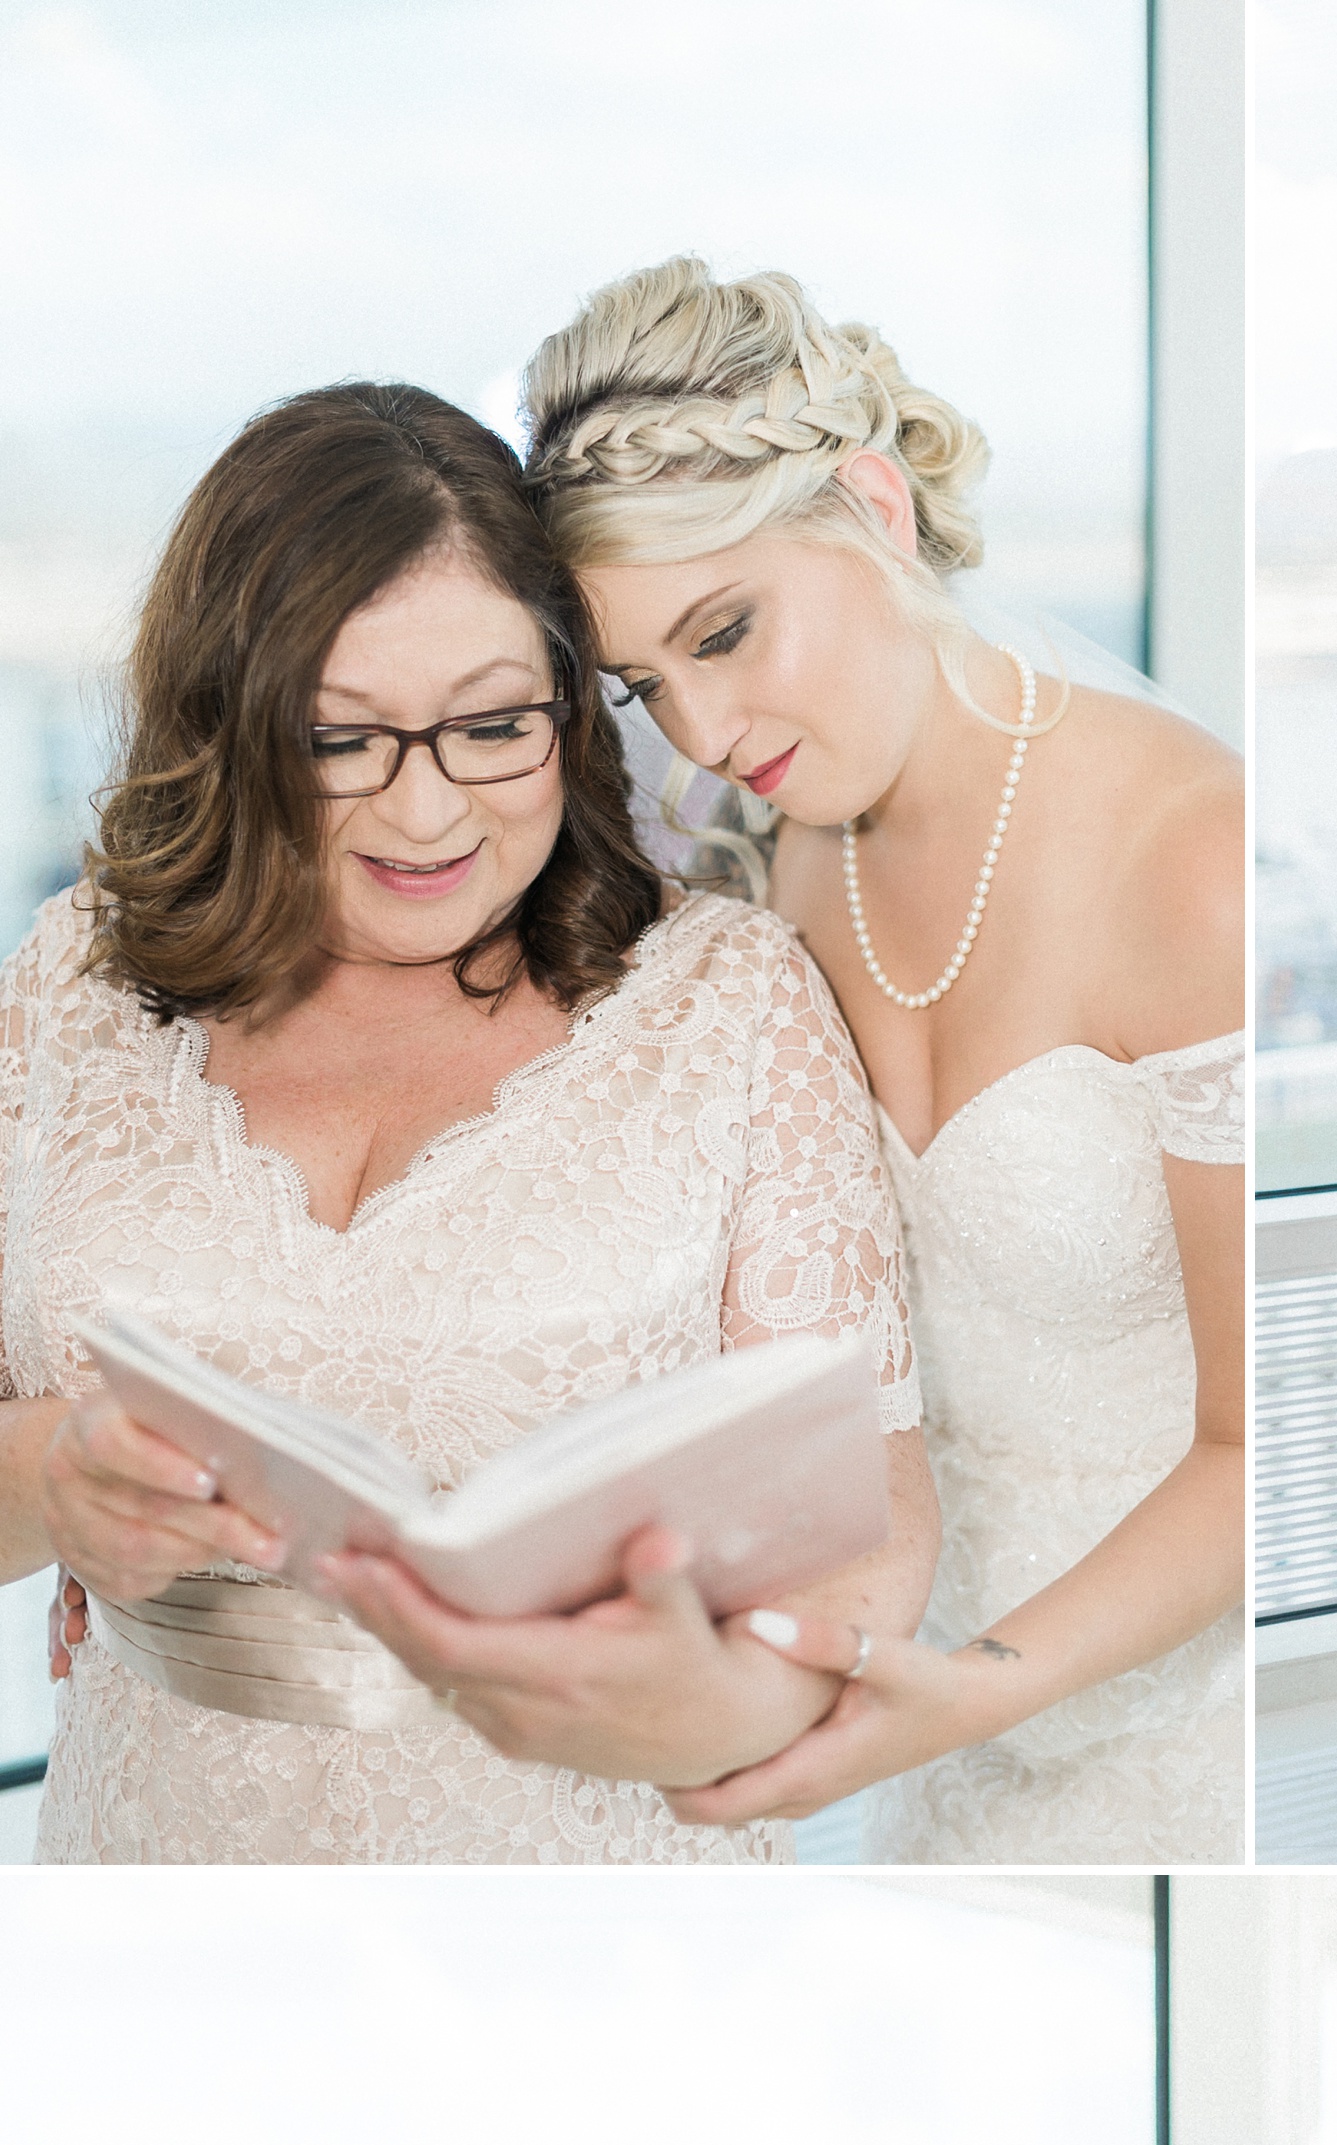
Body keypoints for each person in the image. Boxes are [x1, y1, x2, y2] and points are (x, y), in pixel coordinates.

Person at [8, 381, 932, 1864]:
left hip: (596, 1861)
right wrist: (56, 1484)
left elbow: (871, 1507)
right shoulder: (69, 984)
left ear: (574, 708)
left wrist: (720, 1709)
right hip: (162, 1856)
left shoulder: (725, 1002)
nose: (428, 812)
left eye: (495, 726)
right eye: (339, 739)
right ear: (225, 725)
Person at [500, 258, 1246, 1864]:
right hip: (922, 1730)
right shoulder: (785, 850)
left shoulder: (1193, 859)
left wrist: (967, 1693)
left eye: (727, 630)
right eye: (646, 685)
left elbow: (1256, 1456)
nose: (695, 731)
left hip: (1173, 1744)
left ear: (872, 505)